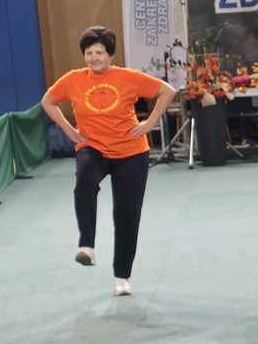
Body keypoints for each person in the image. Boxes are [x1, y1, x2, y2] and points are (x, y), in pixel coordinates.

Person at [40, 25, 176, 297]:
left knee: (126, 214)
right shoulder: (73, 79)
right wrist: (70, 131)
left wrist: (149, 123)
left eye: (99, 52)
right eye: (89, 53)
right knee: (84, 183)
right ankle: (86, 245)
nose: (93, 58)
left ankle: (122, 276)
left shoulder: (128, 77)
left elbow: (167, 91)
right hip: (93, 147)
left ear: (110, 55)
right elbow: (48, 101)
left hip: (131, 151)